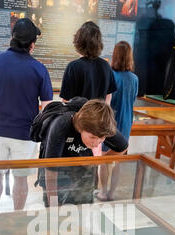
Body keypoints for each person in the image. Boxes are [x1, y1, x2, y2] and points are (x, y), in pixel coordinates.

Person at [0, 18, 53, 212]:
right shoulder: (39, 69)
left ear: (12, 37)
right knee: (20, 177)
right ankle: (17, 215)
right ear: (32, 44)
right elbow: (46, 106)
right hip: (25, 133)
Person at [39, 99, 128, 207]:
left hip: (82, 172)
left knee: (83, 212)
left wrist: (97, 162)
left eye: (102, 138)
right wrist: (53, 207)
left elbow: (122, 147)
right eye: (92, 137)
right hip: (56, 171)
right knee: (56, 215)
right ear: (81, 127)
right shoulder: (61, 125)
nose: (96, 143)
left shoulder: (101, 125)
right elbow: (50, 170)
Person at [97, 41, 138, 201]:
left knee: (103, 159)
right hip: (126, 122)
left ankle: (103, 192)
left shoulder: (110, 75)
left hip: (109, 121)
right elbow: (133, 99)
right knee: (118, 159)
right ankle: (112, 193)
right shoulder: (134, 78)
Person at [59, 21, 117, 105]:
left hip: (79, 116)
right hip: (99, 116)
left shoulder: (73, 67)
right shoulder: (105, 65)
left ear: (78, 41)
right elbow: (108, 95)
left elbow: (66, 100)